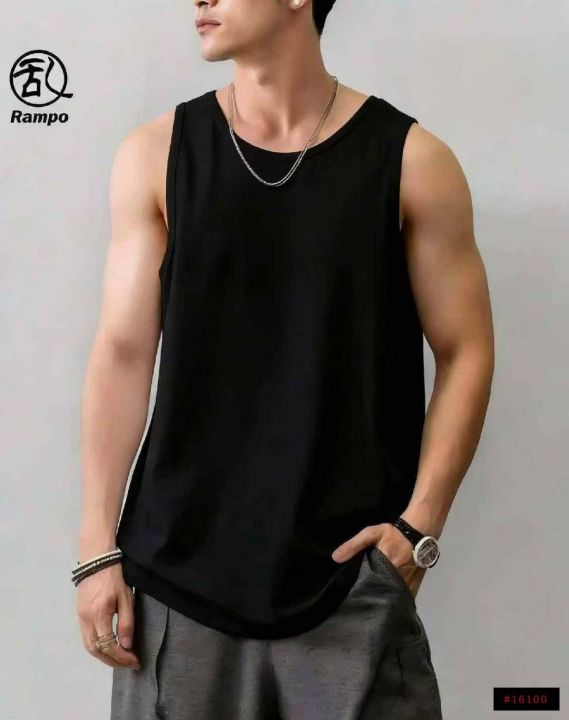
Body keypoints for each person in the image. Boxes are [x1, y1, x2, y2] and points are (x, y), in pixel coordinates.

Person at [74, 1, 495, 718]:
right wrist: (95, 547)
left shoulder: (413, 161)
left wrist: (417, 530)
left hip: (349, 582)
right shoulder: (155, 154)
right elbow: (121, 353)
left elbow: (466, 350)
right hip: (176, 582)